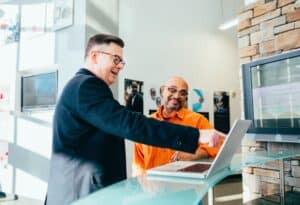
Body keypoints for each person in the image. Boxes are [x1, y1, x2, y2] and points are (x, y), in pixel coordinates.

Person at [45, 34, 222, 205]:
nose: (120, 66)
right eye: (116, 59)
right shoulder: (86, 86)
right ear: (94, 56)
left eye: (121, 61)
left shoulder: (85, 87)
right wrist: (196, 136)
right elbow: (130, 124)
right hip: (81, 195)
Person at [132, 77, 224, 176]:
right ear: (163, 91)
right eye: (172, 90)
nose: (176, 96)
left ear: (186, 98)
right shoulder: (147, 123)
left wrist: (194, 154)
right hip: (152, 187)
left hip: (186, 187)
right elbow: (138, 165)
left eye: (182, 93)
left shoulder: (198, 120)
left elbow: (218, 145)